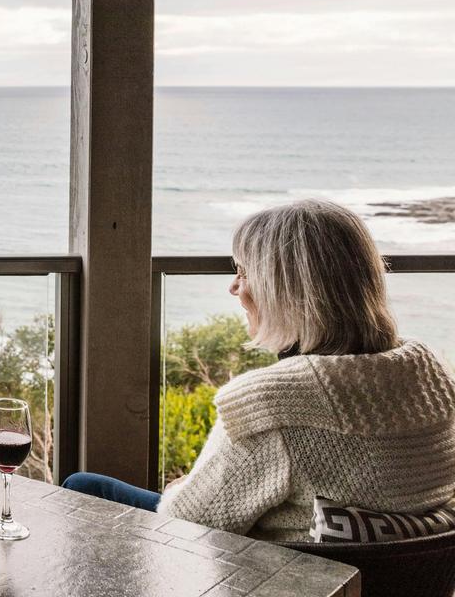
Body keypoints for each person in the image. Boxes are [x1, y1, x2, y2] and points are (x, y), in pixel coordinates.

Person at [63, 199, 455, 541]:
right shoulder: (432, 374)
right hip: (410, 576)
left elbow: (187, 522)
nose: (234, 288)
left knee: (82, 486)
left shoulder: (273, 403)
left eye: (244, 272)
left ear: (284, 290)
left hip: (287, 576)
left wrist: (181, 490)